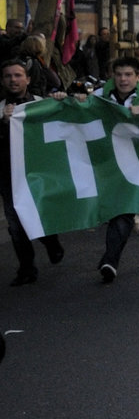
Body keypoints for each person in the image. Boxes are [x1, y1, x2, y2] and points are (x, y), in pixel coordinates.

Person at [1, 59, 65, 284]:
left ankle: (51, 242)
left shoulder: (40, 104)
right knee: (15, 223)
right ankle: (27, 268)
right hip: (8, 176)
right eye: (8, 76)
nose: (13, 80)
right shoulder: (0, 109)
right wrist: (4, 122)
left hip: (39, 173)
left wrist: (60, 100)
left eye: (18, 75)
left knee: (40, 214)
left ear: (28, 79)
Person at [94, 57, 139, 282]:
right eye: (118, 74)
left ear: (138, 78)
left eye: (128, 75)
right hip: (107, 162)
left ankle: (110, 260)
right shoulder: (99, 96)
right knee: (112, 208)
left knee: (123, 208)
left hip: (135, 163)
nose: (123, 79)